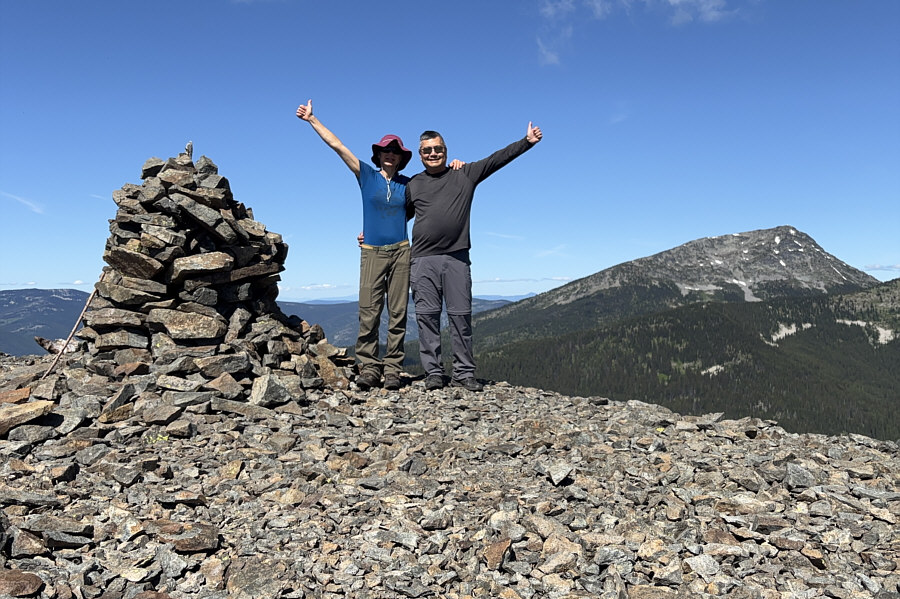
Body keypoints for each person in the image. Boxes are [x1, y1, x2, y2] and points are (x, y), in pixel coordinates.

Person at [407, 123, 543, 392]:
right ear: (420, 155)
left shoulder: (465, 173)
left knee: (460, 317)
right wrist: (371, 235)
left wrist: (526, 142)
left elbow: (496, 160)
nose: (433, 154)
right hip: (422, 259)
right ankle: (433, 373)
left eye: (438, 149)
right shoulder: (413, 184)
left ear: (446, 151)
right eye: (427, 151)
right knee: (427, 317)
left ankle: (464, 373)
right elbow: (397, 215)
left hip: (457, 257)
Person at [295, 99, 413, 391]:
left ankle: (394, 369)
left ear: (401, 158)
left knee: (398, 312)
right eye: (386, 150)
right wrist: (313, 120)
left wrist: (456, 166)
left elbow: (437, 189)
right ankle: (370, 367)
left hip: (401, 250)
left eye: (395, 152)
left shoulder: (409, 185)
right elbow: (338, 146)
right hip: (371, 251)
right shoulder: (366, 176)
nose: (391, 155)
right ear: (379, 154)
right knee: (369, 310)